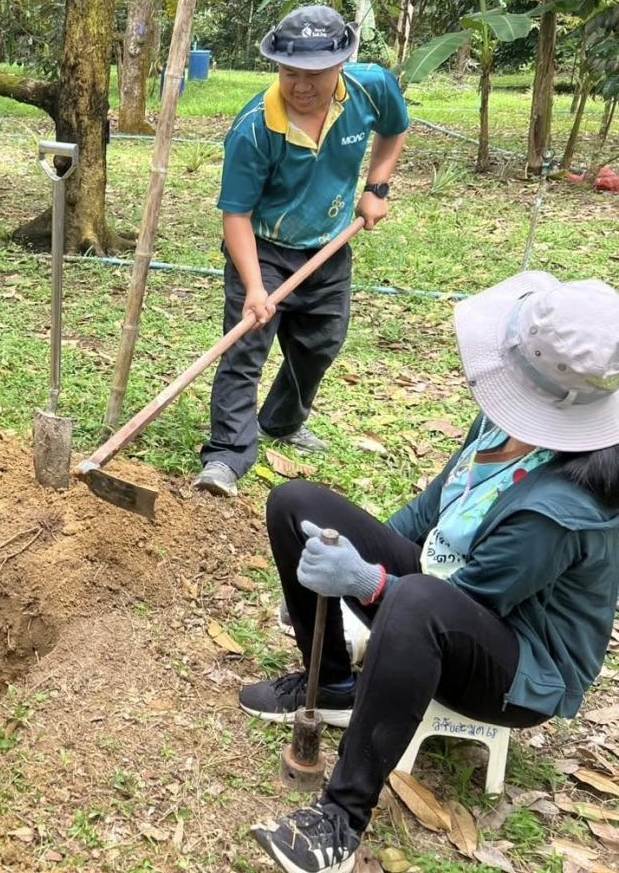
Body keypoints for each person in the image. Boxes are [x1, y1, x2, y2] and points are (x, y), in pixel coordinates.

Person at [242, 271, 619, 873]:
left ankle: (339, 822)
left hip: (516, 662)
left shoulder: (562, 511)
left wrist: (360, 585)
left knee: (414, 602)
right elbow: (427, 514)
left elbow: (470, 601)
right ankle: (335, 685)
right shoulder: (504, 424)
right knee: (297, 504)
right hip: (441, 590)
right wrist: (346, 556)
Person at [195, 5, 409, 498]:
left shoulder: (370, 87)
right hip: (265, 248)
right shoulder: (254, 128)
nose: (302, 85)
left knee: (320, 345)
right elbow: (236, 216)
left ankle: (282, 421)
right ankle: (227, 455)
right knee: (244, 348)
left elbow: (394, 129)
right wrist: (253, 287)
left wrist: (378, 187)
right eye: (291, 72)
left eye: (315, 73)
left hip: (330, 245)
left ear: (341, 64)